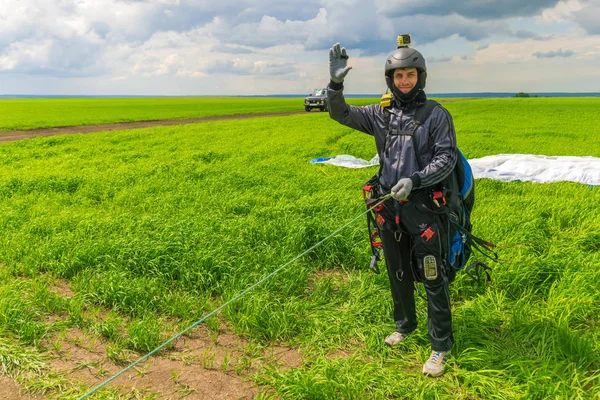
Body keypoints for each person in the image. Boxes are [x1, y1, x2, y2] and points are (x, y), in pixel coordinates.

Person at [327, 38, 458, 377]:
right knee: (397, 270)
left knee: (431, 273)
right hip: (388, 207)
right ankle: (405, 325)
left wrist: (415, 180)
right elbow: (340, 113)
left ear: (421, 77)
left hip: (424, 207)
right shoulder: (380, 114)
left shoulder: (437, 115)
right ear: (390, 79)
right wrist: (336, 84)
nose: (404, 81)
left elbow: (447, 157)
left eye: (410, 75)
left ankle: (440, 345)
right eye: (398, 75)